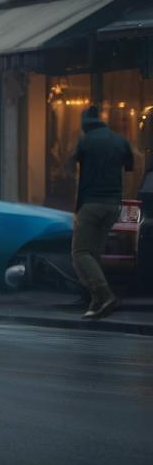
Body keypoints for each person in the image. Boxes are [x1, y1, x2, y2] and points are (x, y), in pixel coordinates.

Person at [70, 105, 133, 321]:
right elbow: (132, 166)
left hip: (92, 203)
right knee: (94, 254)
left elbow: (71, 168)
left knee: (80, 253)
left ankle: (104, 294)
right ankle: (96, 302)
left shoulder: (85, 142)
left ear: (84, 123)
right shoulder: (120, 140)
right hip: (114, 204)